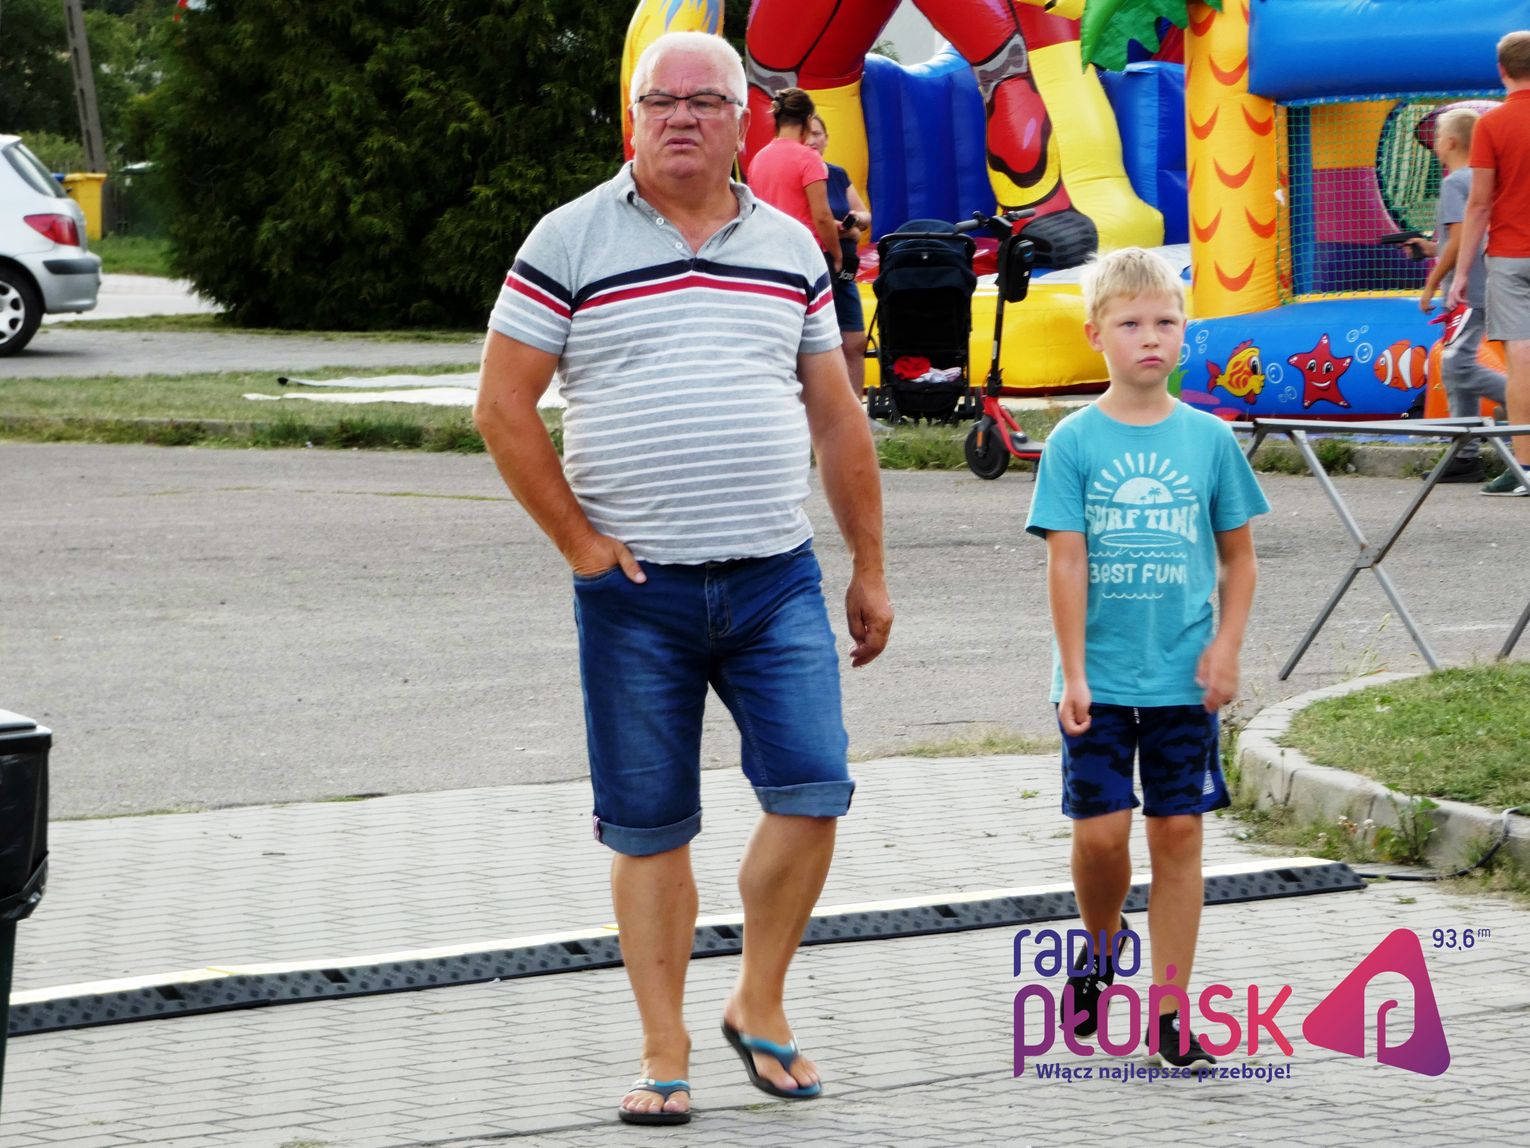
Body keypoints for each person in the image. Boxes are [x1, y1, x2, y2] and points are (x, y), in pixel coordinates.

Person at [473, 31, 893, 1127]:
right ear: (633, 118)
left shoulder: (791, 247)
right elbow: (503, 406)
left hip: (774, 579)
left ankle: (758, 998)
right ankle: (665, 1051)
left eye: (705, 101)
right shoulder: (569, 238)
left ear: (743, 121)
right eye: (660, 100)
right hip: (636, 595)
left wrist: (869, 565)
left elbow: (837, 417)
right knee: (649, 825)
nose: (681, 117)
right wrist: (579, 544)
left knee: (814, 790)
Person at [1023, 248, 1269, 1070]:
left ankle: (1171, 1012)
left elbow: (1239, 560)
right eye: (1130, 324)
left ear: (1184, 332)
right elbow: (1066, 563)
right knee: (1101, 839)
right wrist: (1073, 671)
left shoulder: (1210, 439)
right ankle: (1101, 946)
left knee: (1178, 833)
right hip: (1095, 677)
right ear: (1096, 335)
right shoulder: (1073, 442)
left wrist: (1227, 647)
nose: (1151, 337)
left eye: (1165, 322)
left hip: (1182, 678)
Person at [1448, 31, 1530, 496]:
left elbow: (1478, 204)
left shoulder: (1491, 125)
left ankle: (1527, 466)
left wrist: (1462, 273)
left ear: (1502, 70)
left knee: (1521, 358)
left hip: (1511, 256)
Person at [1414, 107, 1506, 484]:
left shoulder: (1455, 183)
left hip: (1466, 290)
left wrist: (1432, 282)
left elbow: (1457, 240)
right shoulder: (1484, 179)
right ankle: (1464, 453)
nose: (1435, 143)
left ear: (1450, 143)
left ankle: (1518, 401)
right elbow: (1467, 236)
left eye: (1438, 136)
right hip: (1490, 284)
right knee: (1455, 366)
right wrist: (1430, 248)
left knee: (1458, 366)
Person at [805, 114, 871, 398]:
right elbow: (811, 221)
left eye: (817, 134)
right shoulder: (799, 173)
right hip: (817, 268)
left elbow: (864, 214)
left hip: (845, 271)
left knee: (854, 342)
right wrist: (846, 232)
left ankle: (855, 408)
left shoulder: (837, 174)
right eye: (807, 134)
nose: (812, 140)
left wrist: (856, 221)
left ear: (827, 139)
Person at [747, 88, 843, 279]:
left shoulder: (758, 160)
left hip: (769, 253)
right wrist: (837, 254)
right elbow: (822, 217)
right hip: (806, 254)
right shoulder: (809, 158)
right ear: (807, 120)